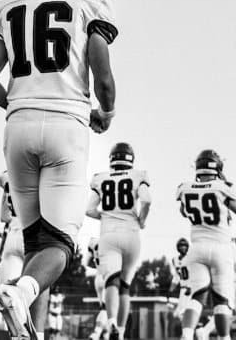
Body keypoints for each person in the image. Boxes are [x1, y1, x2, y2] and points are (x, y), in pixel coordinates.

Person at [0, 0, 119, 340]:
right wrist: (106, 112)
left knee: (38, 243)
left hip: (16, 127)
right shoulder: (89, 5)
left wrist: (22, 107)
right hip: (66, 126)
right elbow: (103, 77)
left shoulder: (7, 8)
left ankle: (30, 328)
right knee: (60, 246)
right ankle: (19, 292)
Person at [175, 150, 236, 340]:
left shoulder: (185, 187)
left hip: (196, 248)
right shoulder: (222, 187)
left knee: (197, 295)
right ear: (218, 167)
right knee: (221, 300)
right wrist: (225, 182)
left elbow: (184, 211)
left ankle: (187, 334)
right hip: (221, 248)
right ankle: (224, 338)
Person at [86, 142, 151, 340]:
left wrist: (105, 216)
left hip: (109, 234)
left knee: (111, 282)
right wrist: (141, 219)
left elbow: (89, 210)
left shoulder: (100, 178)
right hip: (131, 234)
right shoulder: (138, 175)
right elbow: (147, 200)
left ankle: (111, 321)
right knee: (125, 286)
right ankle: (120, 333)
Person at [169, 238, 192, 321]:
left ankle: (188, 331)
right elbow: (177, 276)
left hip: (190, 289)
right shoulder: (175, 260)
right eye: (181, 245)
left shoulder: (191, 258)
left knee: (183, 312)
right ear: (178, 247)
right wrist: (171, 289)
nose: (183, 247)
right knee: (177, 313)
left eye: (185, 245)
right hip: (182, 289)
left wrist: (190, 286)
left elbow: (195, 274)